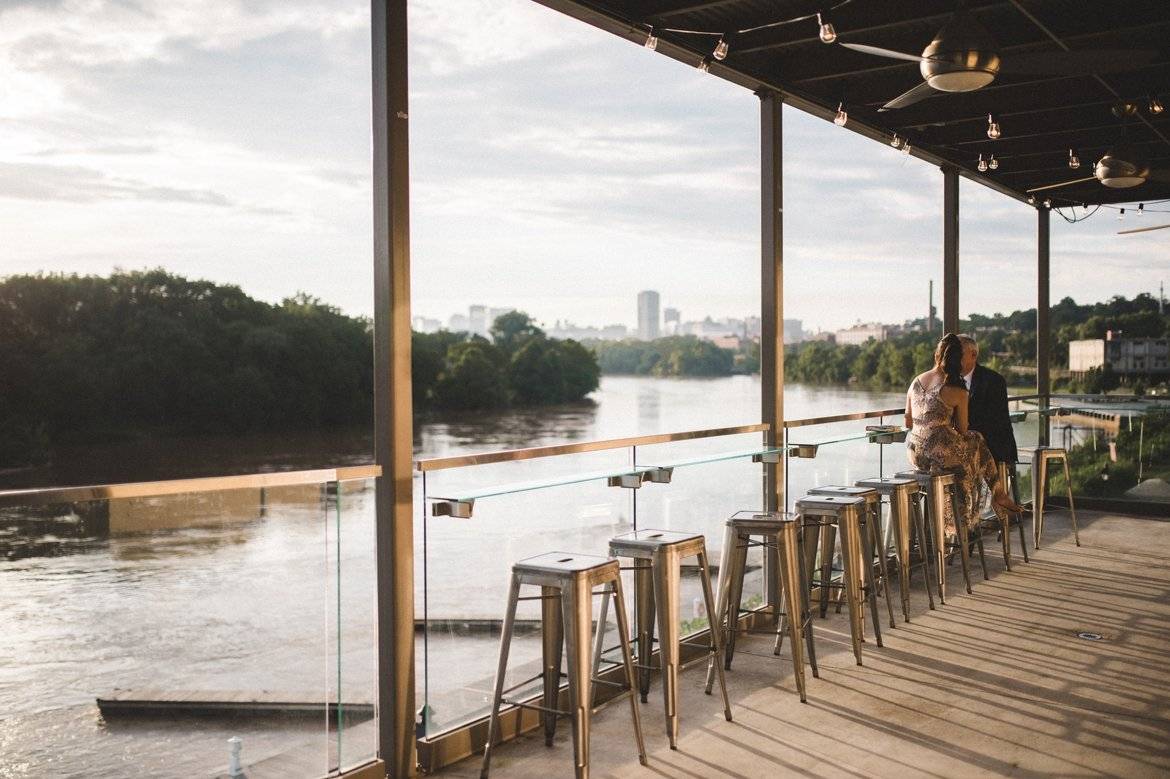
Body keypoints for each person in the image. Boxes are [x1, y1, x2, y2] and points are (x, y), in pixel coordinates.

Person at [904, 333, 1023, 535]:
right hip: (941, 454)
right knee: (977, 438)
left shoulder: (916, 382)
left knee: (975, 444)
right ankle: (996, 495)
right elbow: (962, 429)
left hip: (915, 454)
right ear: (957, 360)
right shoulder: (956, 390)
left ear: (936, 356)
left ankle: (996, 494)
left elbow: (907, 420)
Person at [957, 334, 1018, 467]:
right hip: (962, 452)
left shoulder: (993, 381)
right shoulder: (948, 381)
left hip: (993, 449)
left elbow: (996, 422)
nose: (953, 358)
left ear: (973, 355)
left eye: (958, 353)